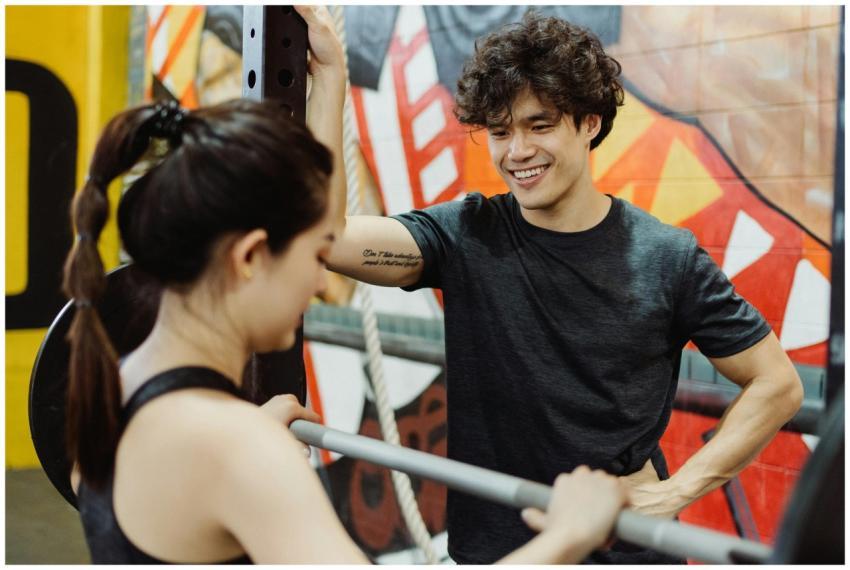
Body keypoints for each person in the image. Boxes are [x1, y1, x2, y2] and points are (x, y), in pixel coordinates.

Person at [61, 8, 629, 563]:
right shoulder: (238, 451)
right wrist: (570, 534)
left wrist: (329, 78)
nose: (319, 277)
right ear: (251, 257)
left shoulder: (112, 390)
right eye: (311, 255)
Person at [314, 7, 805, 564]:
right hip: (497, 554)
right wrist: (330, 76)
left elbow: (777, 384)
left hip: (623, 553)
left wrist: (674, 492)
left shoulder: (667, 257)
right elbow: (328, 238)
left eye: (539, 125)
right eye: (500, 132)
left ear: (590, 122)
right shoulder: (466, 234)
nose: (516, 151)